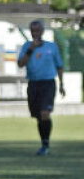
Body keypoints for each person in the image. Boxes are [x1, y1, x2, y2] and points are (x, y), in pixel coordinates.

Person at [17, 20, 65, 156]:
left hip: (48, 83)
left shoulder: (52, 47)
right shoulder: (26, 46)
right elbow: (21, 64)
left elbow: (59, 66)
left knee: (45, 113)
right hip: (33, 84)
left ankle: (46, 144)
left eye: (38, 31)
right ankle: (43, 143)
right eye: (33, 31)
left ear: (42, 31)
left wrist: (61, 84)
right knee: (38, 116)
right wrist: (31, 49)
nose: (35, 33)